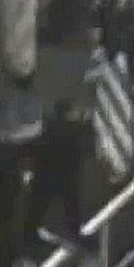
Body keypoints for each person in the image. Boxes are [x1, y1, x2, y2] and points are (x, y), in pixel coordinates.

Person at [25, 99, 89, 252]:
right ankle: (74, 234)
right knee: (69, 206)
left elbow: (33, 149)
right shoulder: (71, 128)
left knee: (40, 206)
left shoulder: (47, 128)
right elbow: (79, 149)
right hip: (61, 174)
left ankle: (30, 234)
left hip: (46, 174)